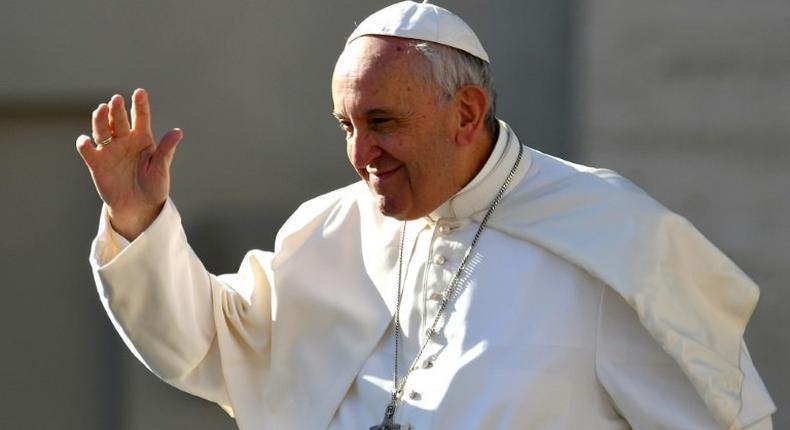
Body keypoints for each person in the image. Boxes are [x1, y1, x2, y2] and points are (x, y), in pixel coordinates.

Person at [76, 2, 775, 429]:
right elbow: (210, 344)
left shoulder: (613, 237)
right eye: (344, 125)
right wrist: (140, 220)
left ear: (465, 114)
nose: (359, 153)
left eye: (382, 122)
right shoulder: (329, 231)